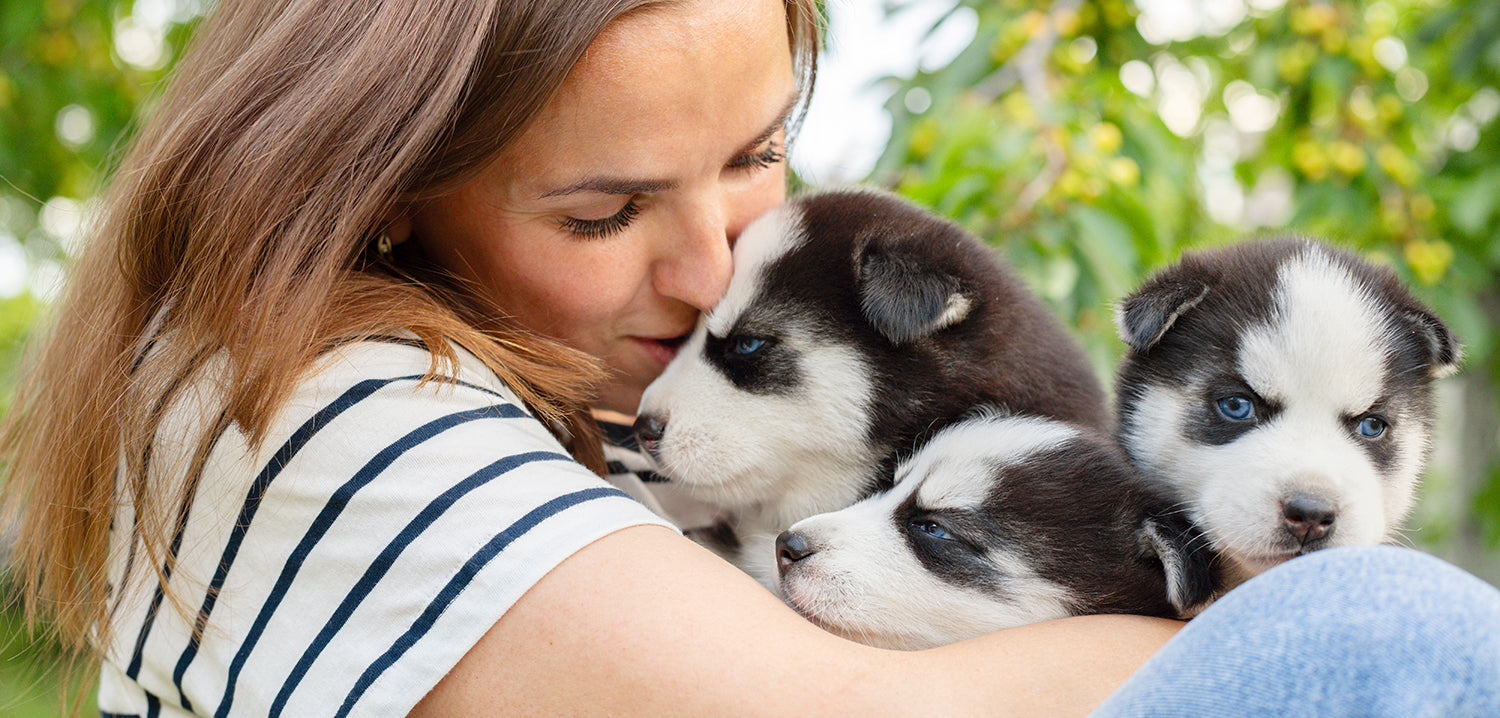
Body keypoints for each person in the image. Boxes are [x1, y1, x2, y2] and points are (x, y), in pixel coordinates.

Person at [1, 0, 1495, 716]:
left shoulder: (576, 401)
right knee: (1380, 628)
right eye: (603, 211)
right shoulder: (313, 405)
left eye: (757, 152)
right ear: (379, 190)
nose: (714, 268)